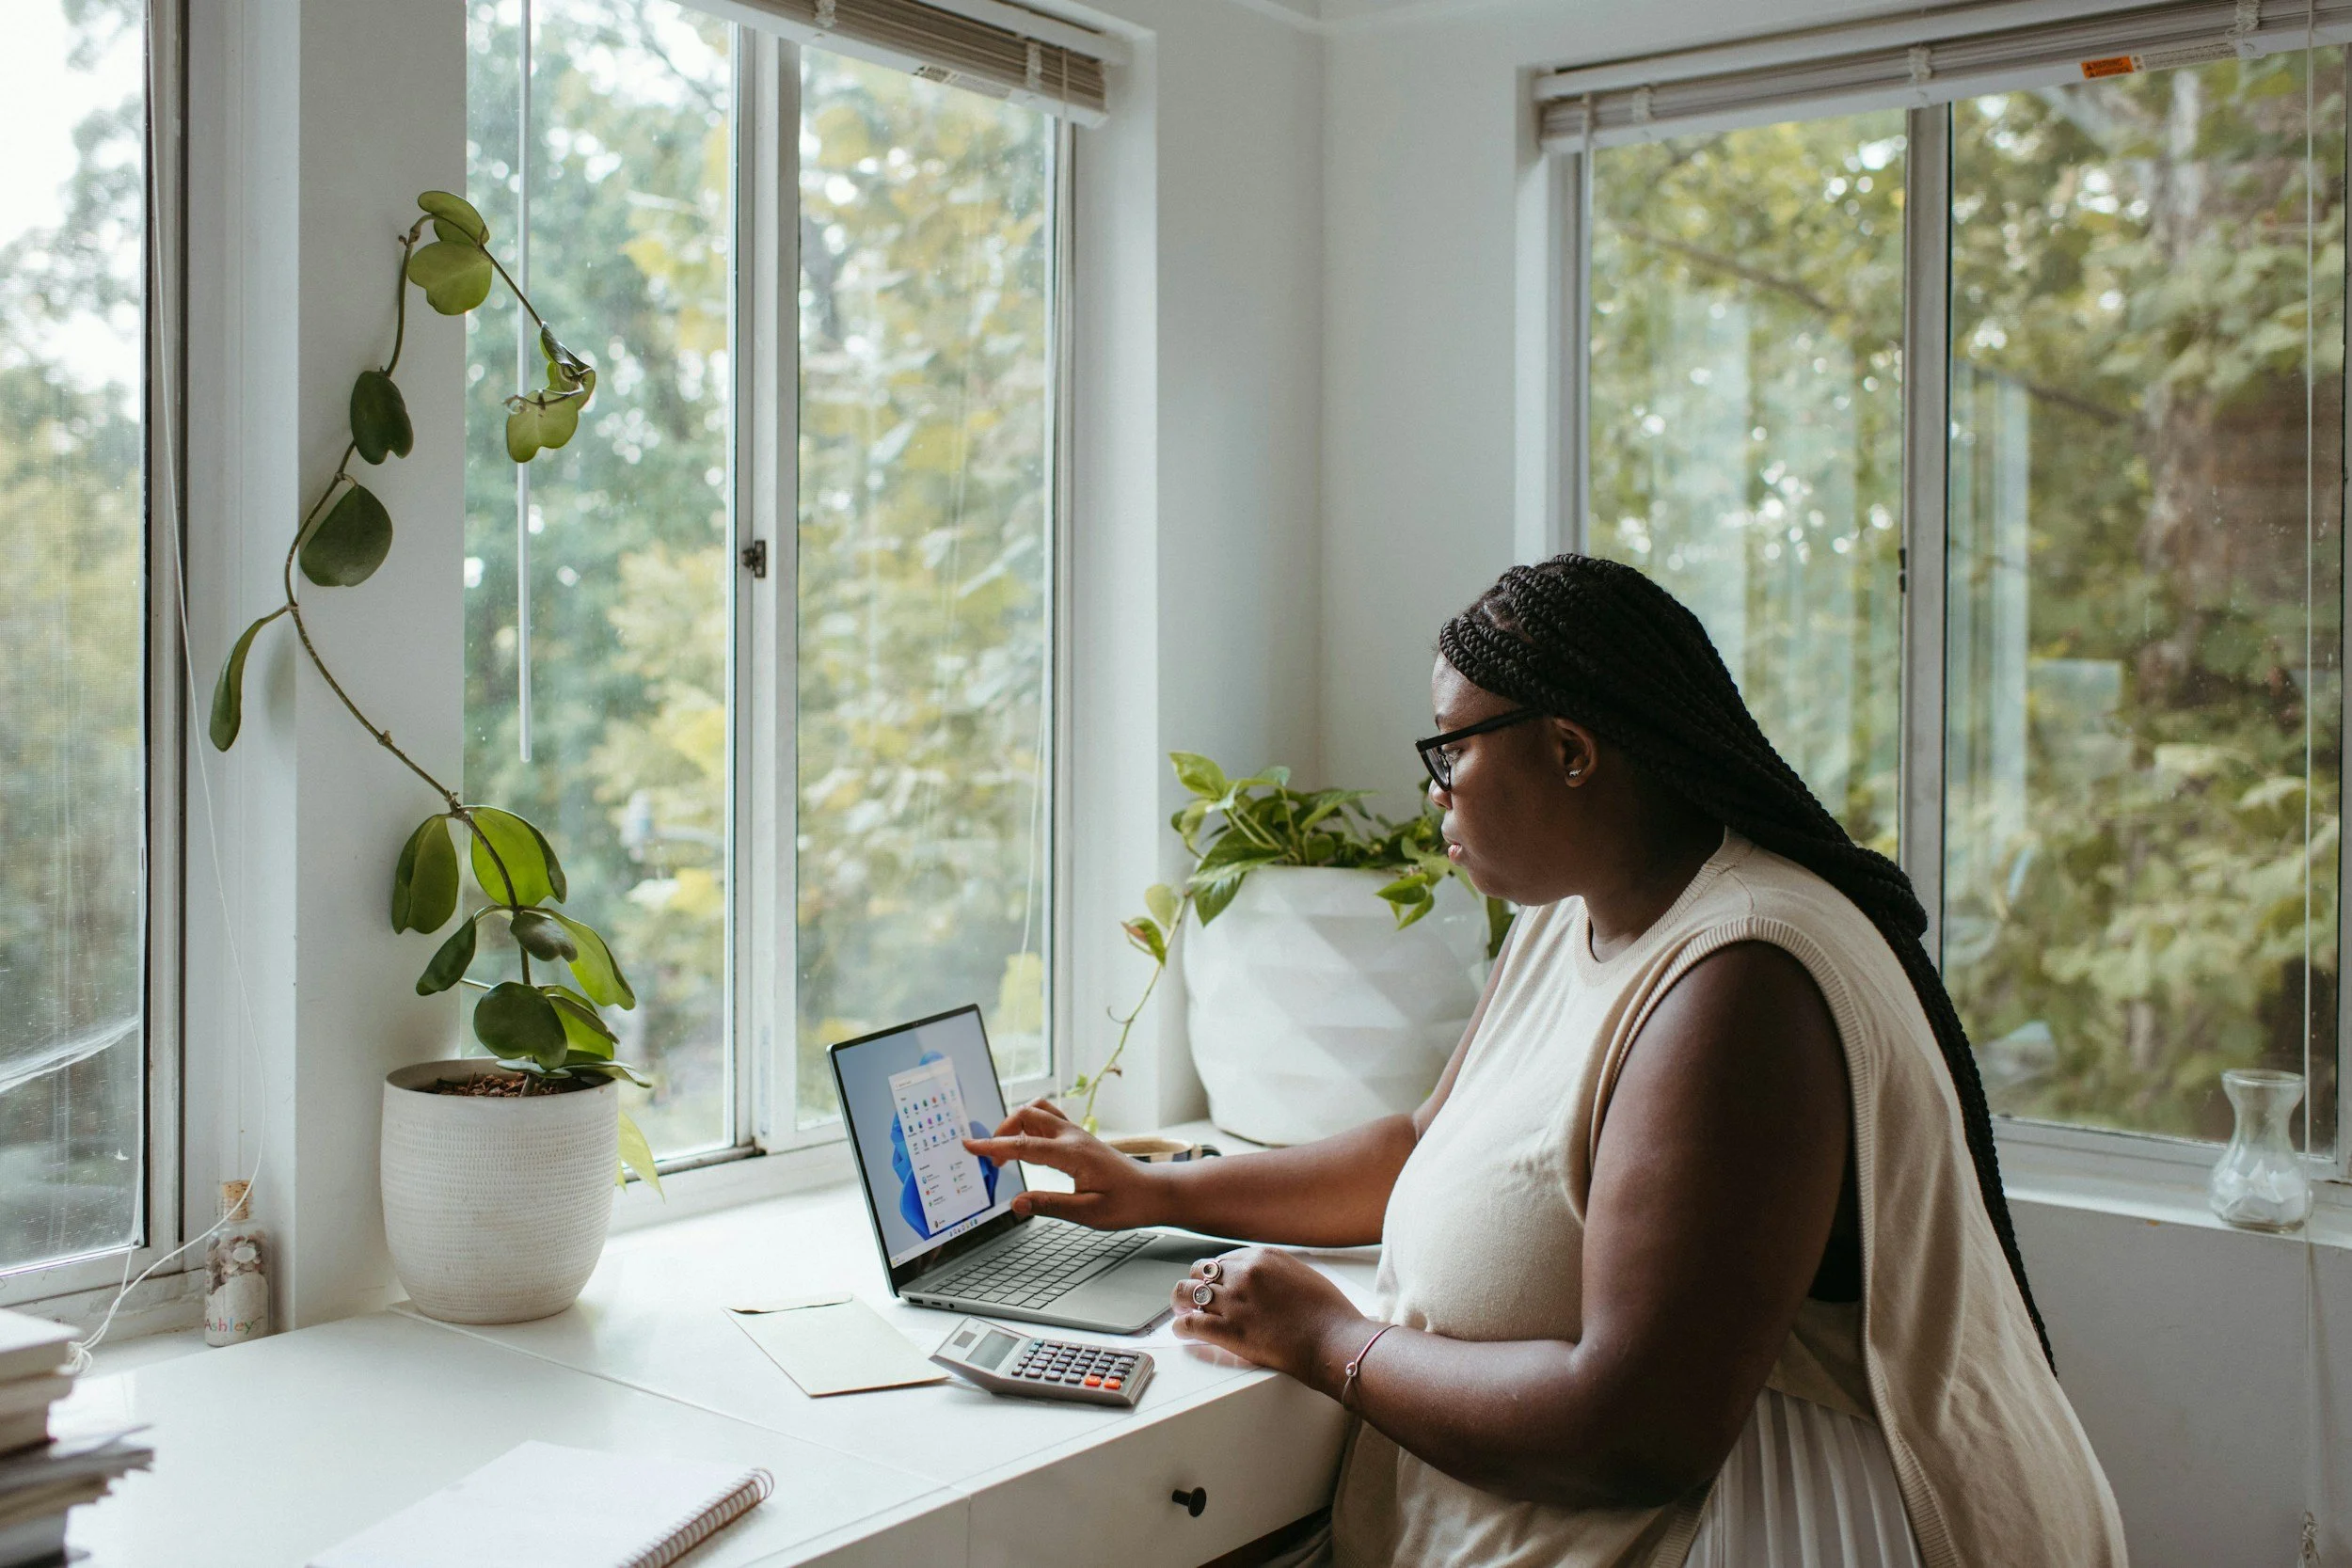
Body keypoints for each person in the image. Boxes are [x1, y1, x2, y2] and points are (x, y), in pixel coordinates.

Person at [965, 554, 2125, 1567]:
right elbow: (1424, 1143)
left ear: (1569, 750)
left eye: (1448, 749)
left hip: (1779, 1525)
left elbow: (1634, 1430)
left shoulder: (1739, 983)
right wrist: (1155, 1187)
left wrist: (1327, 1339)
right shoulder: (1572, 914)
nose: (1433, 792)